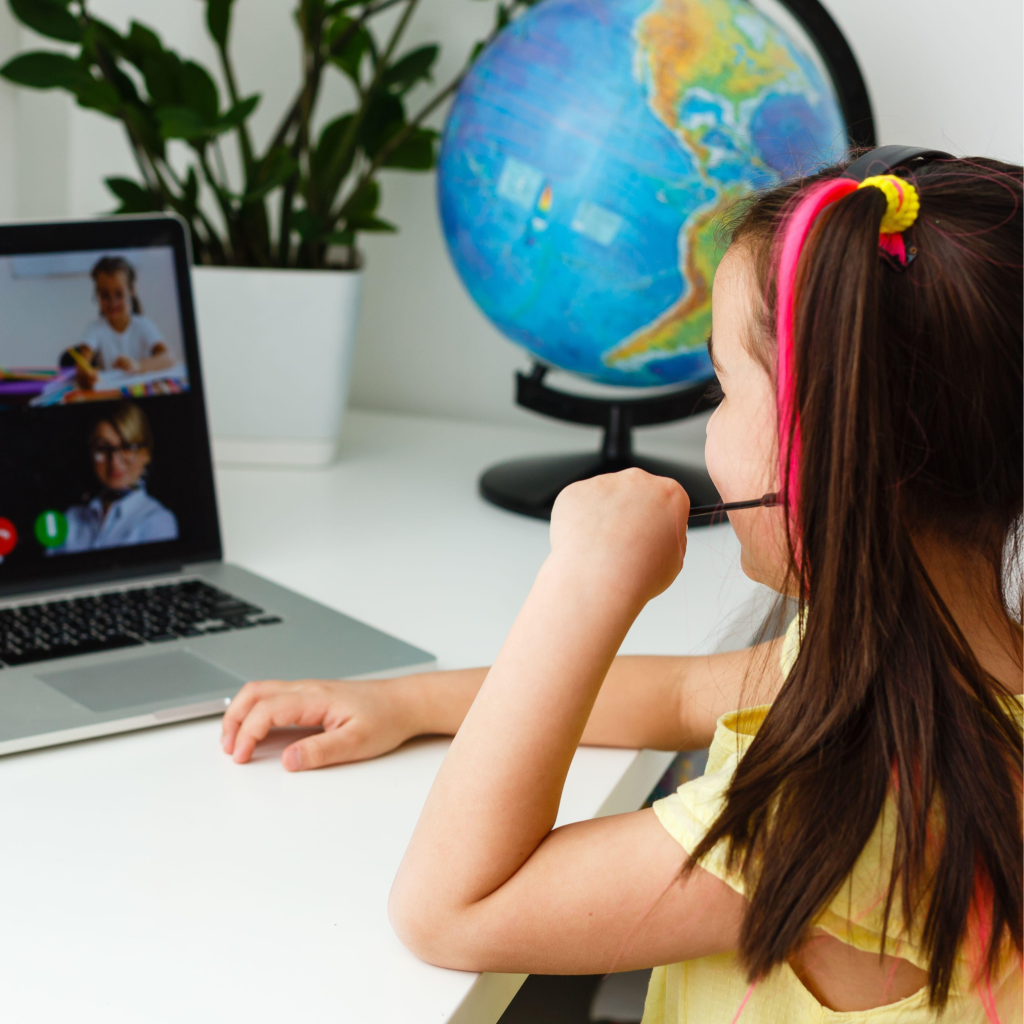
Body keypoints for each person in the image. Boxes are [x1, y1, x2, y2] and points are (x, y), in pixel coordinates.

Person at [220, 154, 1023, 1022]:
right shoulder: (939, 676)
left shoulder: (845, 812)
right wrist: (409, 701)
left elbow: (450, 910)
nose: (709, 424)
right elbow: (680, 694)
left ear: (831, 446)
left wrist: (584, 582)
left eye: (723, 390)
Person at [56, 400, 178, 553]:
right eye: (102, 447)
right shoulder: (71, 518)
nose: (114, 461)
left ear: (146, 454)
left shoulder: (158, 520)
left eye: (127, 447)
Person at [60, 256, 174, 390]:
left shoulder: (143, 324)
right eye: (105, 295)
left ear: (131, 290)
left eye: (119, 294)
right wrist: (86, 376)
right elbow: (82, 365)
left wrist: (138, 365)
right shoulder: (94, 329)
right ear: (97, 295)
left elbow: (169, 358)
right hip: (111, 394)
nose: (112, 302)